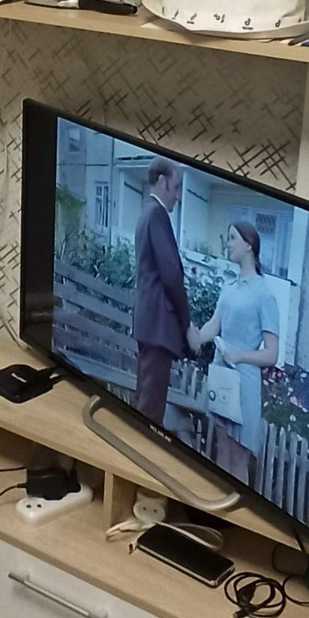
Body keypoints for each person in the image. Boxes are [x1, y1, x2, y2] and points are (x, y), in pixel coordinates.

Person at [197, 221, 279, 483]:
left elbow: (272, 354)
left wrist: (238, 355)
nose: (228, 243)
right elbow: (213, 326)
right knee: (222, 453)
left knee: (238, 462)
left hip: (244, 384)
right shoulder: (229, 288)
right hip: (222, 378)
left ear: (249, 245)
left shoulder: (264, 295)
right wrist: (191, 336)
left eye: (232, 238)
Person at [133, 158, 201, 424]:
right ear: (162, 182)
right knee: (150, 412)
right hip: (158, 328)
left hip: (150, 325)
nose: (178, 196)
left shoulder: (147, 212)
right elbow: (171, 275)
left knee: (144, 403)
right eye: (176, 187)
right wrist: (187, 325)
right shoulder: (156, 215)